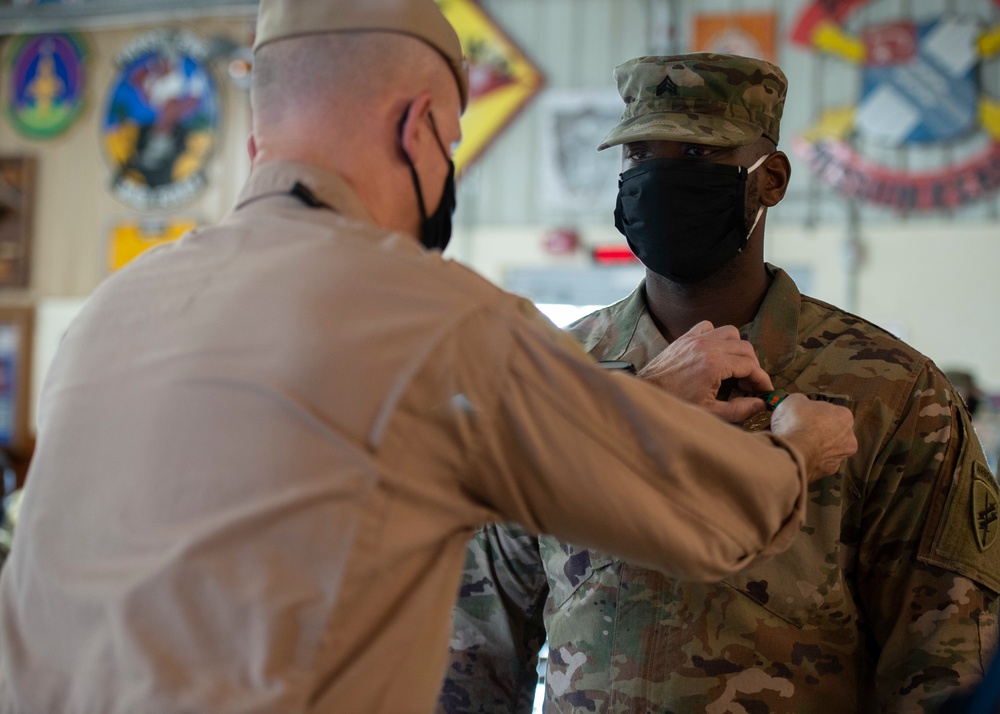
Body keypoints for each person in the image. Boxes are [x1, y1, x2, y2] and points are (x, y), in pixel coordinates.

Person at [0, 10, 858, 714]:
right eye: (449, 143)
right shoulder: (436, 321)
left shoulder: (118, 309)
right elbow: (706, 511)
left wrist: (630, 394)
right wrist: (795, 448)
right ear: (418, 127)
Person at [440, 53, 1000, 714]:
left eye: (699, 158)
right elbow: (473, 651)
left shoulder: (892, 395)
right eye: (640, 156)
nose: (660, 180)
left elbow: (941, 661)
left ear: (772, 180)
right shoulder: (551, 377)